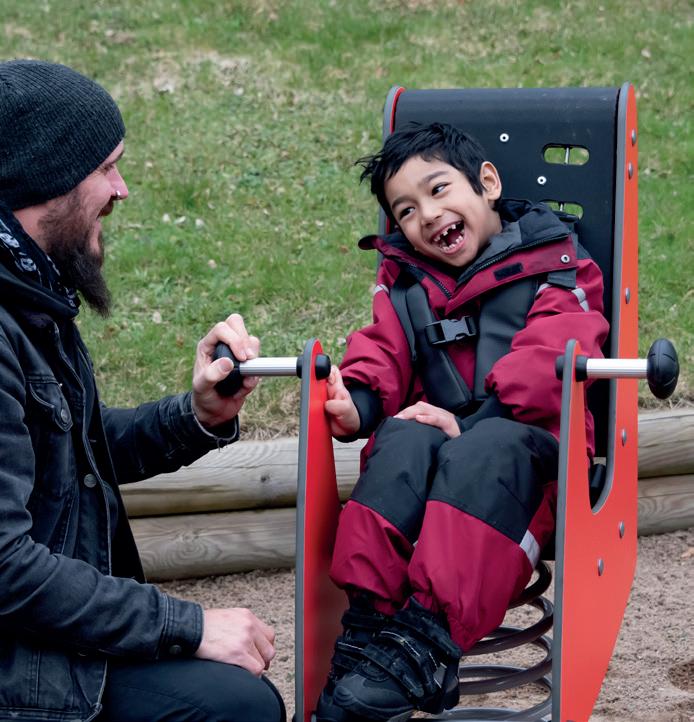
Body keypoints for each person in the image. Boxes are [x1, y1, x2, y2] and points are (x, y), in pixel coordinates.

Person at [0, 59, 285, 722]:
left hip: (32, 639)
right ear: (46, 179)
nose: (121, 190)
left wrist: (198, 415)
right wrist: (187, 625)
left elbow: (71, 452)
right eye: (107, 168)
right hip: (19, 673)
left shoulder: (29, 290)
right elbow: (5, 567)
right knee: (235, 708)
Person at [316, 122, 609, 721]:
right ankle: (369, 630)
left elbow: (553, 357)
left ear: (487, 184)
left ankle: (425, 644)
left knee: (487, 445)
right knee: (402, 437)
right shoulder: (407, 285)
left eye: (439, 189)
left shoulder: (559, 267)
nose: (428, 215)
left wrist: (469, 427)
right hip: (444, 465)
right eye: (406, 210)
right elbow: (381, 350)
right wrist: (358, 403)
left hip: (533, 469)